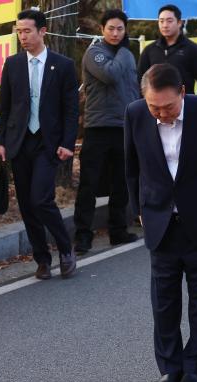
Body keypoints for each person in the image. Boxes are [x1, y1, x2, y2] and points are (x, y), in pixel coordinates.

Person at [124, 64, 197, 382]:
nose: (161, 113)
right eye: (154, 107)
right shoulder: (135, 114)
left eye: (168, 107)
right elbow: (131, 168)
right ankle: (169, 367)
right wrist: (139, 209)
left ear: (182, 93)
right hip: (160, 220)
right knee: (164, 300)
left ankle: (194, 367)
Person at [0, 9, 78, 279]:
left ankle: (66, 249)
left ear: (43, 31)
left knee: (41, 199)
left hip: (48, 143)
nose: (22, 36)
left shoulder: (63, 65)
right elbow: (4, 107)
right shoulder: (13, 64)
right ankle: (42, 259)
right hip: (19, 143)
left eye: (27, 31)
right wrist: (0, 143)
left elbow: (70, 109)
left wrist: (68, 142)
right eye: (19, 31)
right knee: (27, 205)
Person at [73, 9, 139, 254]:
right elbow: (110, 75)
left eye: (120, 29)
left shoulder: (128, 56)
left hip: (124, 126)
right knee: (89, 184)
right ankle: (82, 235)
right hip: (98, 127)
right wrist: (123, 50)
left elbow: (134, 89)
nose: (115, 33)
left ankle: (118, 231)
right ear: (102, 30)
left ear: (125, 30)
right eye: (110, 28)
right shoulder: (95, 53)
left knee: (122, 182)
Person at [137, 4, 197, 98]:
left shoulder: (193, 50)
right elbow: (140, 81)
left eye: (169, 21)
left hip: (184, 105)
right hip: (156, 106)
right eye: (161, 21)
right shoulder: (149, 50)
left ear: (179, 22)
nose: (165, 25)